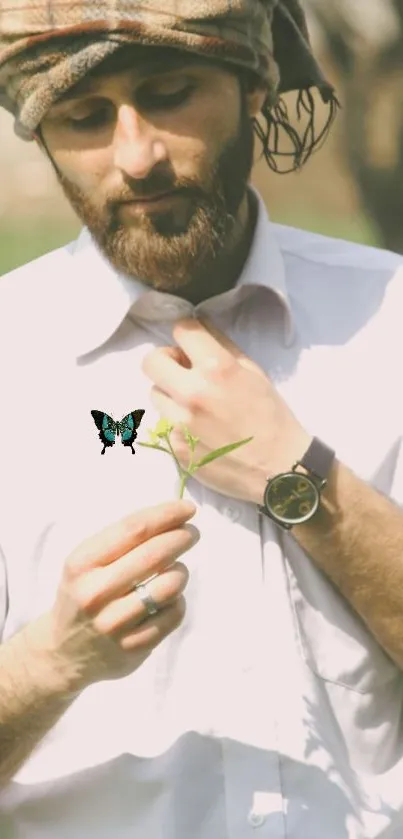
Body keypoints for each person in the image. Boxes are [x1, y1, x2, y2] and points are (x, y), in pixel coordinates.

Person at [0, 0, 403, 836]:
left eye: (172, 92)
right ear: (39, 135)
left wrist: (303, 482)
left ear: (255, 87)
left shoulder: (390, 319)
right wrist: (52, 662)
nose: (137, 156)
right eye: (83, 117)